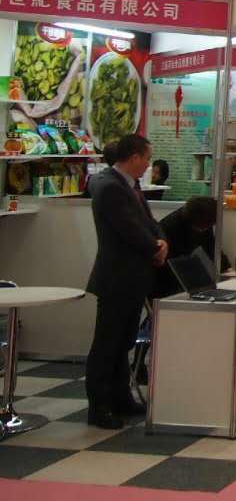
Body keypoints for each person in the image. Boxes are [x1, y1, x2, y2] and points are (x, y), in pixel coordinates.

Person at [85, 133, 166, 429]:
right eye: (146, 159)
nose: (148, 165)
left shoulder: (130, 185)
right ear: (134, 157)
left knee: (124, 342)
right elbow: (129, 229)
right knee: (107, 344)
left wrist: (161, 241)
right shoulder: (109, 186)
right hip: (117, 277)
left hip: (135, 277)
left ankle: (121, 397)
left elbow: (149, 222)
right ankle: (99, 406)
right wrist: (154, 247)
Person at [155, 196, 229, 297]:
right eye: (204, 227)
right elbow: (176, 262)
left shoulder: (202, 216)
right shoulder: (170, 227)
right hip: (165, 280)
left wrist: (226, 268)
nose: (205, 229)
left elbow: (211, 246)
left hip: (182, 276)